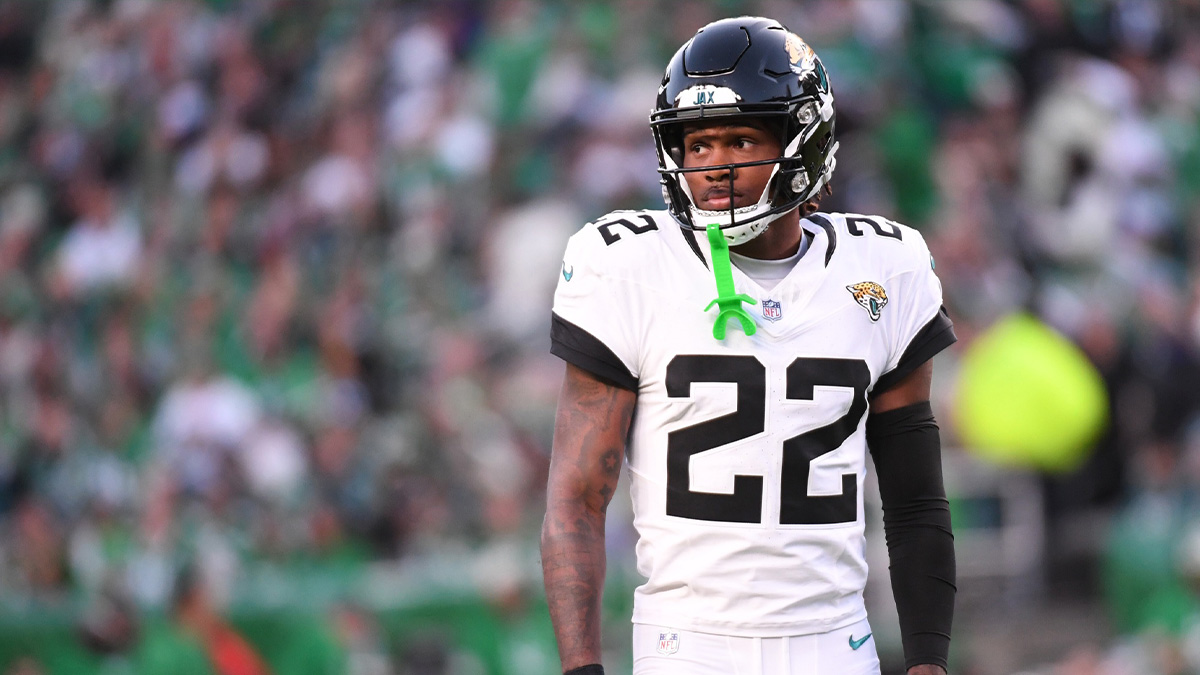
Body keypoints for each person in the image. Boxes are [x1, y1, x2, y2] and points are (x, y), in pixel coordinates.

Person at [541, 15, 956, 675]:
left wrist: (929, 660)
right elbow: (577, 494)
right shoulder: (625, 265)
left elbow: (913, 499)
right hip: (686, 647)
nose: (713, 166)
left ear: (805, 141)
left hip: (836, 644)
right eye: (697, 144)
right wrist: (582, 667)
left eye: (738, 139)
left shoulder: (885, 269)